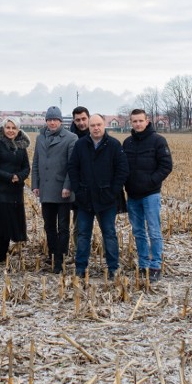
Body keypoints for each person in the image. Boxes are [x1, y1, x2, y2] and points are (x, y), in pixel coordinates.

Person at [67, 114, 129, 279]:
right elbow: (72, 168)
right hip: (85, 199)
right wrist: (78, 190)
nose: (96, 128)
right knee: (83, 234)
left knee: (109, 233)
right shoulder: (80, 145)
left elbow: (122, 171)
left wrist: (112, 192)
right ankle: (80, 268)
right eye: (93, 125)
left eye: (99, 124)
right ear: (89, 126)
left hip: (106, 200)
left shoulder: (114, 145)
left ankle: (112, 268)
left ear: (104, 125)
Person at [122, 108, 173, 282]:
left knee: (154, 230)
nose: (137, 124)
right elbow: (122, 168)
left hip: (150, 194)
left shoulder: (158, 141)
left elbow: (166, 166)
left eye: (140, 121)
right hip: (133, 195)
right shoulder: (127, 143)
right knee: (138, 231)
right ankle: (143, 263)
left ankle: (156, 265)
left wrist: (152, 181)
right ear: (131, 122)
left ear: (147, 121)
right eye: (134, 121)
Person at [31, 106, 77, 274]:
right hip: (46, 189)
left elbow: (72, 166)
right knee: (49, 225)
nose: (52, 122)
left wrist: (67, 186)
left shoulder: (71, 138)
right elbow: (36, 162)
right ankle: (52, 253)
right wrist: (35, 184)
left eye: (55, 119)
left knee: (63, 227)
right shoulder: (40, 138)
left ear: (60, 121)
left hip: (63, 190)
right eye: (49, 119)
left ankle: (61, 258)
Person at [0, 117, 30, 264]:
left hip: (15, 192)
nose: (10, 130)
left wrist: (19, 177)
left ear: (18, 130)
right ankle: (0, 256)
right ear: (3, 129)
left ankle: (5, 254)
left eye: (13, 128)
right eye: (8, 127)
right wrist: (9, 177)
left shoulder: (21, 148)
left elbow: (26, 167)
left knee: (12, 222)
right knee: (1, 223)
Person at [68, 106, 91, 250]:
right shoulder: (70, 138)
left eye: (83, 119)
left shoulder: (97, 134)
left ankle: (107, 258)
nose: (81, 122)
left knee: (106, 228)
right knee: (78, 225)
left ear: (88, 118)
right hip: (79, 190)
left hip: (98, 189)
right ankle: (79, 253)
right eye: (78, 120)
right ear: (74, 121)